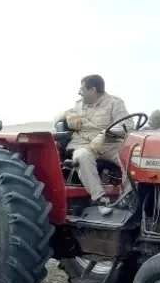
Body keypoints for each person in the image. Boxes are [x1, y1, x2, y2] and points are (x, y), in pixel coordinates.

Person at [56, 74, 134, 215]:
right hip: (85, 145)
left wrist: (106, 134)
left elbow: (127, 125)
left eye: (82, 89)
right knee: (81, 155)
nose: (79, 92)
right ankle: (100, 199)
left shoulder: (114, 103)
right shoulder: (79, 104)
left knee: (132, 160)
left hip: (108, 144)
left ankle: (127, 199)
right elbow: (57, 118)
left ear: (92, 90)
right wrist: (68, 115)